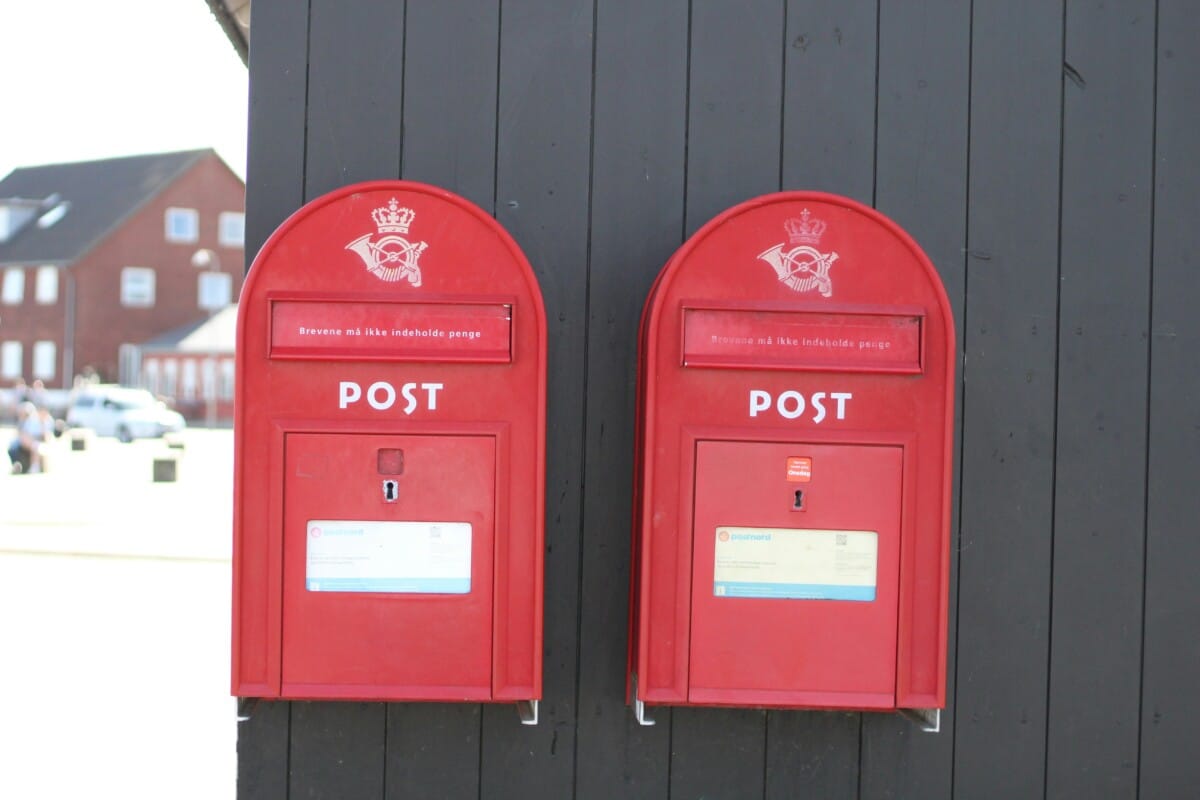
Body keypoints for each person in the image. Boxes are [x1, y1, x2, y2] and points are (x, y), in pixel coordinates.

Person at [8, 401, 48, 474]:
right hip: (19, 447)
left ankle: (35, 467)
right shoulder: (24, 423)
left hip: (33, 445)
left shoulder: (35, 422)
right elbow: (22, 436)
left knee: (35, 447)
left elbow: (44, 437)